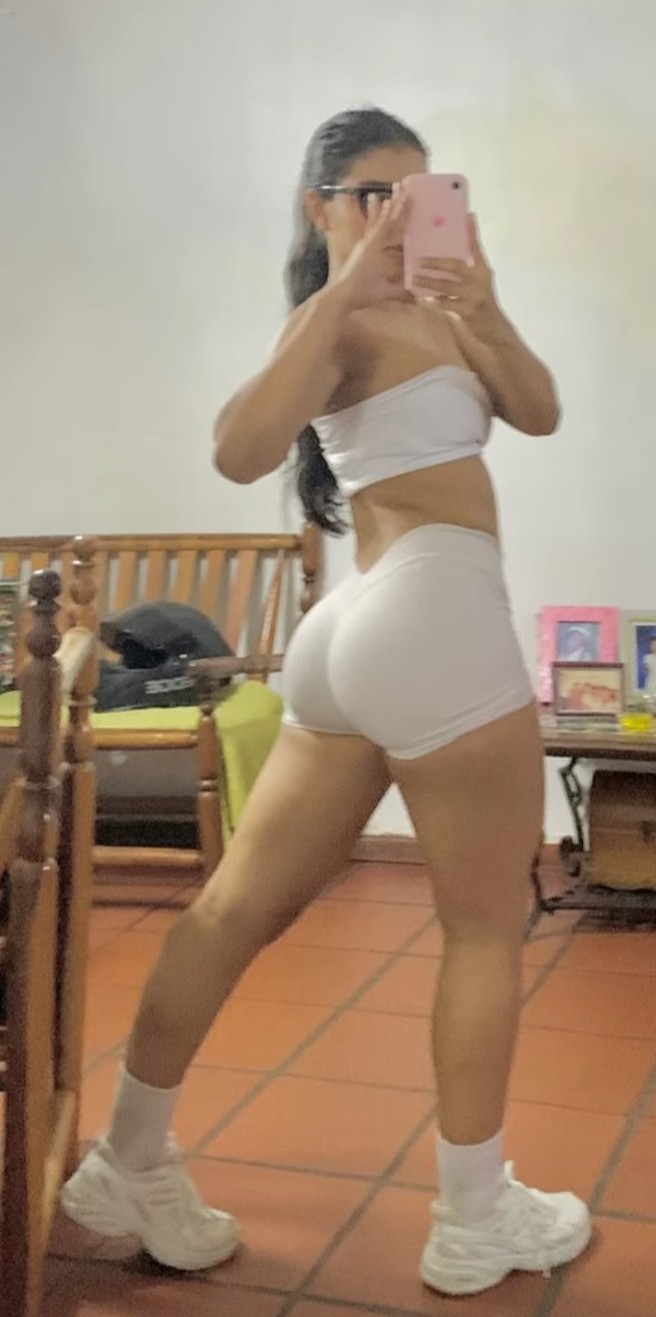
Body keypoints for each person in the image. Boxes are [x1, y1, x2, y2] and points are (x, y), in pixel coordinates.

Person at [61, 106, 591, 1298]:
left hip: (357, 632)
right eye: (370, 196)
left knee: (232, 910)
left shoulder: (446, 311)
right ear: (319, 209)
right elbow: (238, 447)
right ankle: (473, 1217)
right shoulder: (334, 319)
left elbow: (539, 410)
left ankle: (127, 1162)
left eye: (421, 193)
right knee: (481, 930)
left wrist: (484, 305)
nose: (398, 216)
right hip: (428, 616)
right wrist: (344, 289)